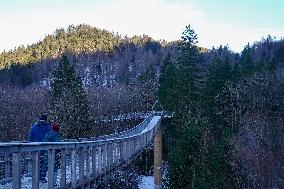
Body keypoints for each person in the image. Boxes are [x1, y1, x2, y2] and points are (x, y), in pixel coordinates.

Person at [28, 114, 51, 183]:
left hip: (35, 147)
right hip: (45, 148)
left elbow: (30, 137)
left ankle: (36, 176)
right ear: (46, 119)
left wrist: (30, 146)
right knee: (44, 163)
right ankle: (42, 177)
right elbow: (50, 137)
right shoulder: (48, 127)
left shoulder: (34, 127)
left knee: (36, 162)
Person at [44, 122, 61, 186]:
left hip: (46, 153)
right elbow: (58, 145)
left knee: (48, 167)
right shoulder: (56, 135)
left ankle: (46, 180)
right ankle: (53, 183)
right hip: (54, 154)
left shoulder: (47, 134)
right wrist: (59, 152)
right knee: (55, 168)